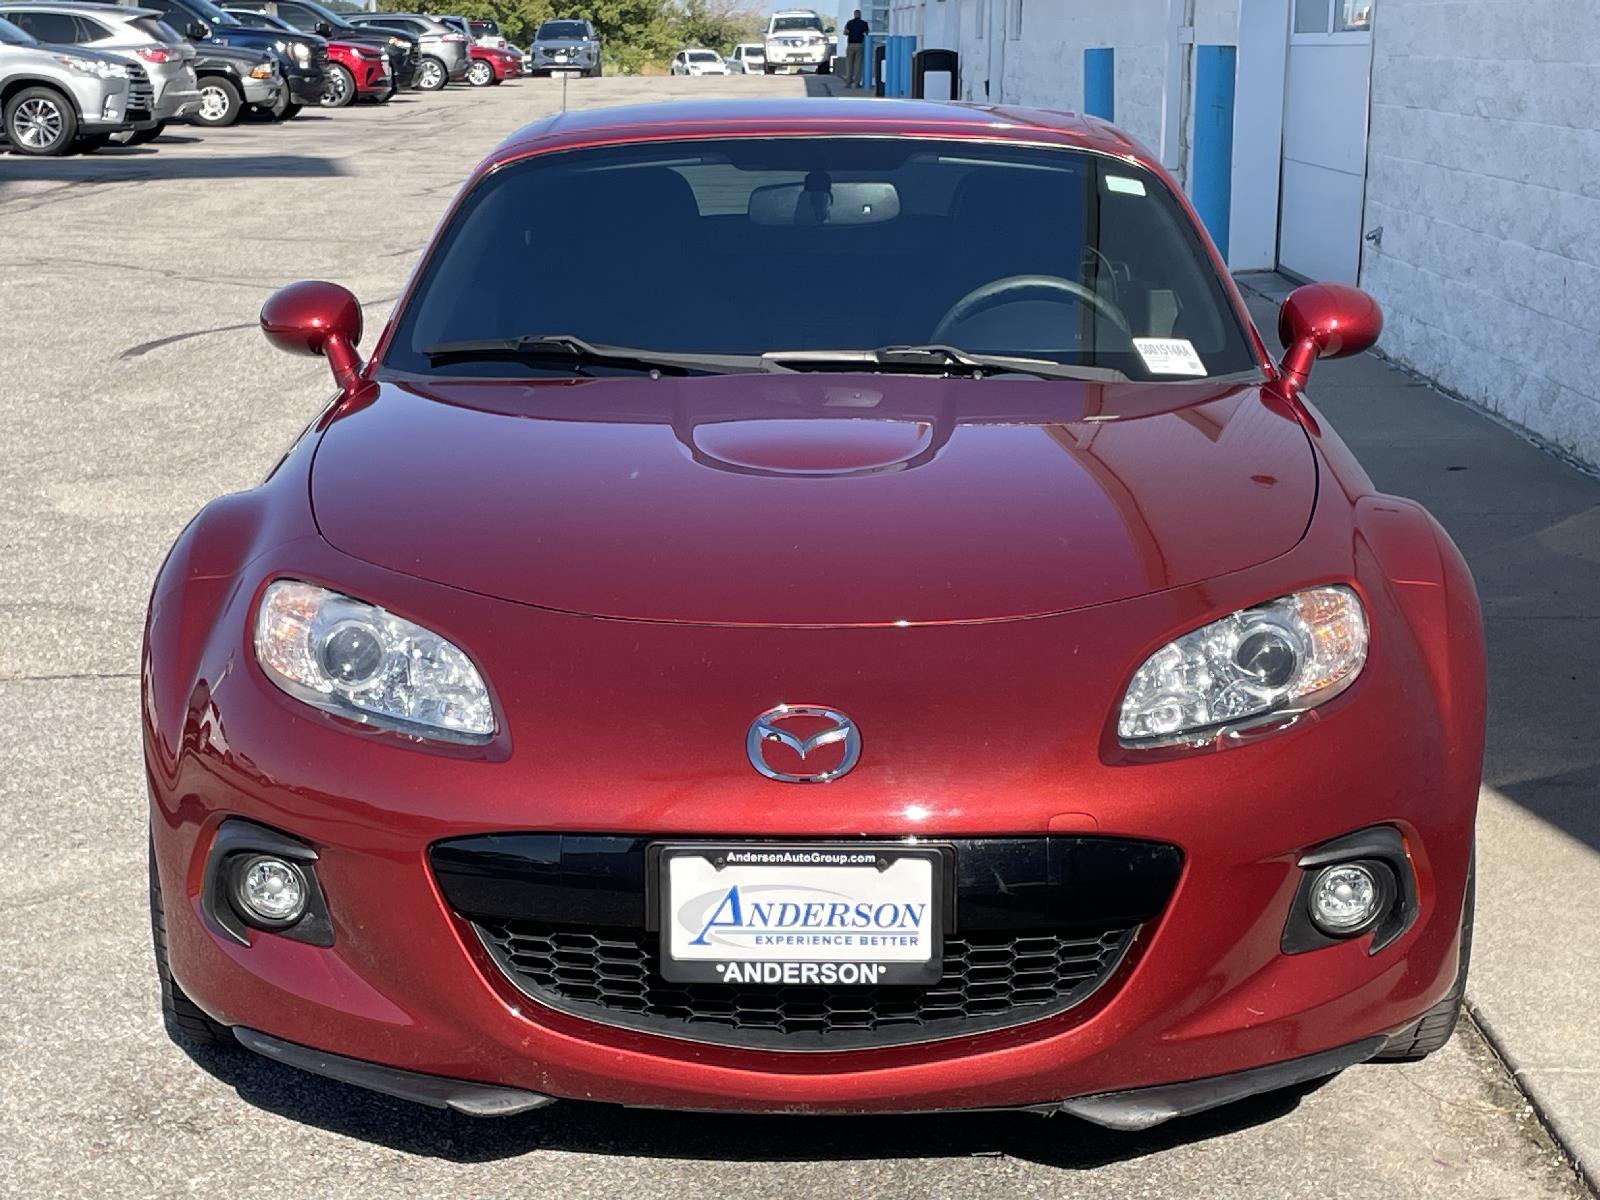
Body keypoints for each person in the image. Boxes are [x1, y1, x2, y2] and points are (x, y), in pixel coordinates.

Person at [843, 8, 869, 89]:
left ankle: (848, 83)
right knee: (858, 65)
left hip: (850, 45)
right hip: (859, 45)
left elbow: (845, 32)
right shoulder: (864, 23)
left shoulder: (849, 23)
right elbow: (866, 33)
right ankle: (856, 83)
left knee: (849, 64)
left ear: (854, 14)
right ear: (860, 15)